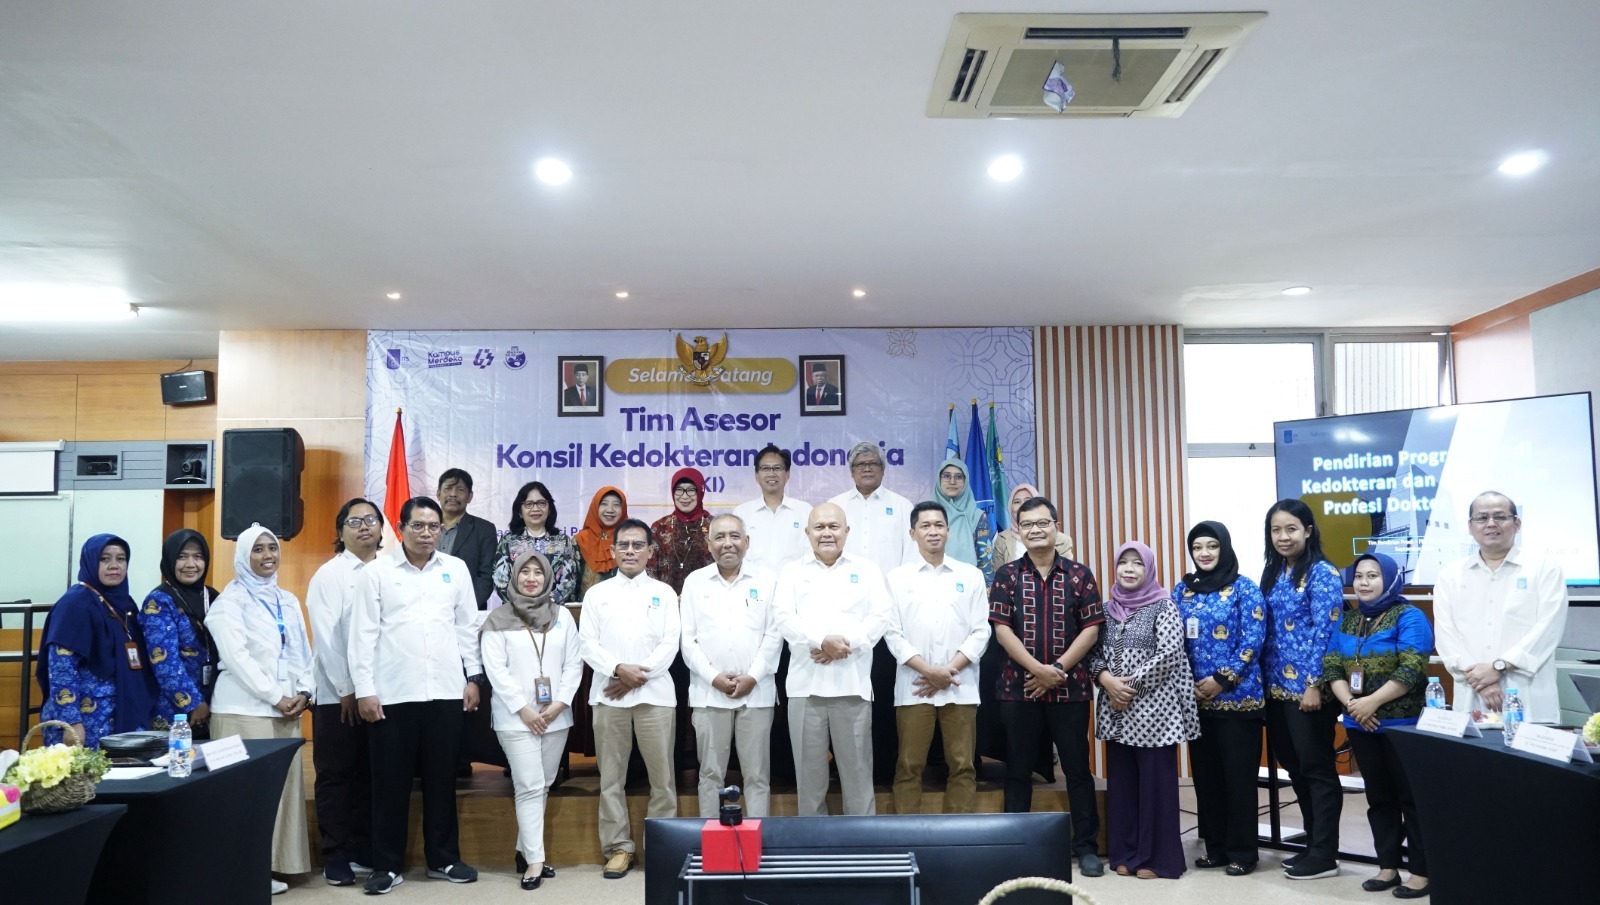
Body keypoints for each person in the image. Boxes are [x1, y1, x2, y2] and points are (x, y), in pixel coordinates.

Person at [351, 497, 483, 894]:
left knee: (442, 781)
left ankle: (443, 859)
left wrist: (473, 677)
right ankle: (386, 865)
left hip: (446, 690)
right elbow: (362, 635)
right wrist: (365, 690)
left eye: (433, 527)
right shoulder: (376, 572)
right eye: (418, 526)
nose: (426, 533)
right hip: (392, 693)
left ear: (442, 529)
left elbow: (466, 627)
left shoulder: (455, 569)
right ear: (400, 527)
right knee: (390, 784)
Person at [989, 496, 1105, 877]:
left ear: (1057, 527)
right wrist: (1037, 670)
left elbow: (1091, 629)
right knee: (1018, 770)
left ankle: (1085, 847)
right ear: (1018, 531)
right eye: (1028, 524)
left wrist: (1056, 669)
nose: (1036, 530)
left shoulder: (1080, 575)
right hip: (1019, 688)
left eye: (1043, 523)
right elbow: (1001, 630)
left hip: (1069, 689)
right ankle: (1015, 849)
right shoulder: (1007, 576)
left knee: (1077, 769)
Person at [208, 524, 315, 893]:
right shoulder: (229, 603)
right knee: (246, 794)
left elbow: (302, 650)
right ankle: (245, 871)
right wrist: (276, 696)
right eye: (258, 549)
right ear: (243, 556)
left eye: (272, 548)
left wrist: (304, 690)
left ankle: (277, 866)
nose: (267, 555)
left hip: (286, 708)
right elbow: (237, 659)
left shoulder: (287, 599)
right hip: (243, 709)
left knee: (283, 793)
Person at [1323, 551, 1433, 899]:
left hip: (1404, 725)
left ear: (1390, 579)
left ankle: (1421, 872)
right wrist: (1353, 705)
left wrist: (1371, 702)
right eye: (1359, 576)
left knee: (1411, 798)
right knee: (1379, 797)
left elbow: (1411, 668)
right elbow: (1332, 667)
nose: (1364, 582)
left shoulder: (1409, 616)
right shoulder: (1349, 620)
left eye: (1373, 575)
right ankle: (1387, 867)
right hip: (1361, 724)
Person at [772, 502, 891, 816]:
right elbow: (783, 617)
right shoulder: (792, 571)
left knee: (858, 778)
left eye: (833, 526)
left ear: (847, 531)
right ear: (807, 532)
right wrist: (820, 641)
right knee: (809, 782)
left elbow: (881, 616)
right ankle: (813, 844)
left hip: (852, 686)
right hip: (805, 688)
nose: (827, 533)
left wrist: (844, 645)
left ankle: (861, 842)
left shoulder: (866, 570)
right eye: (819, 527)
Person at [1089, 541, 1199, 880]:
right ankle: (1124, 852)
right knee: (1122, 785)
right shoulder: (1106, 610)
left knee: (1155, 787)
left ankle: (1156, 858)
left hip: (1155, 713)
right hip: (1116, 712)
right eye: (1124, 562)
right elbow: (1092, 654)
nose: (1129, 569)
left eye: (1138, 563)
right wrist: (1107, 681)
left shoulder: (1164, 606)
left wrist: (1128, 688)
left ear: (1149, 569)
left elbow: (1170, 654)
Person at [579, 517, 681, 880]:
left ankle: (662, 849)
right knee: (611, 779)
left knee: (662, 780)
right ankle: (618, 848)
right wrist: (618, 668)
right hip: (609, 697)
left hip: (656, 697)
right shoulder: (597, 594)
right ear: (613, 550)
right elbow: (587, 644)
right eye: (623, 545)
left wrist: (636, 676)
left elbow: (670, 644)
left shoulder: (665, 593)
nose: (631, 551)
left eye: (638, 545)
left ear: (651, 551)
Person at [481, 550, 584, 890]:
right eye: (524, 572)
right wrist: (524, 709)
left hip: (556, 716)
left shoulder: (562, 617)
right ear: (513, 577)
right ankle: (535, 861)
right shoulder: (498, 619)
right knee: (528, 785)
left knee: (543, 784)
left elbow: (574, 664)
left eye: (538, 572)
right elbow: (496, 671)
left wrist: (560, 703)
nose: (531, 578)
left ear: (548, 577)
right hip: (515, 719)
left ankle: (524, 850)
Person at [1258, 499, 1346, 881]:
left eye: (1291, 529)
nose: (1283, 536)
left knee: (1317, 770)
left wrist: (1313, 685)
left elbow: (1327, 634)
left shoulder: (1323, 573)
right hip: (1276, 691)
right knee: (1295, 769)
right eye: (1276, 530)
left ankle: (1326, 854)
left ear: (1308, 531)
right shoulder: (1273, 572)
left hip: (1309, 692)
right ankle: (1313, 845)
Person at [884, 501, 990, 814]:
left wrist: (947, 671)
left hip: (960, 684)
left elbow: (981, 631)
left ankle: (958, 837)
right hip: (914, 685)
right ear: (912, 533)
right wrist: (929, 671)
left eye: (939, 525)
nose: (933, 531)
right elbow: (892, 633)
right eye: (925, 526)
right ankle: (907, 835)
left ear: (948, 531)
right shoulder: (897, 578)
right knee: (909, 765)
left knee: (962, 765)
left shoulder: (970, 576)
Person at [1174, 520, 1266, 877]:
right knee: (1207, 779)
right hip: (1196, 701)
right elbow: (1172, 640)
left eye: (1212, 546)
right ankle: (1215, 848)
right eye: (1197, 547)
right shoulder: (1182, 591)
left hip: (1239, 700)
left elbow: (1253, 640)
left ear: (1224, 548)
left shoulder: (1245, 589)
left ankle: (1243, 852)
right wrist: (1191, 683)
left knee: (1238, 780)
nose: (1205, 553)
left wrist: (1221, 680)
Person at [1434, 491, 1569, 724]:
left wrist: (1498, 667)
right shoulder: (1451, 574)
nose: (1491, 524)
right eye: (1481, 518)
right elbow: (1446, 636)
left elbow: (1549, 628)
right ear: (1470, 527)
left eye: (1500, 516)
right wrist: (1482, 680)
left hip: (1528, 694)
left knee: (1529, 748)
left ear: (1517, 524)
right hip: (1473, 694)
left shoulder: (1544, 569)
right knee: (1472, 748)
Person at [679, 513, 782, 818]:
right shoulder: (695, 582)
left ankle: (758, 839)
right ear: (708, 543)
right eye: (720, 537)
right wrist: (713, 677)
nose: (728, 543)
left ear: (746, 542)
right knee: (710, 774)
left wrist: (753, 676)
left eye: (735, 536)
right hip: (708, 693)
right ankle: (711, 839)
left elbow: (774, 635)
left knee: (758, 776)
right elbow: (688, 641)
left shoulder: (767, 580)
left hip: (757, 693)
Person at [305, 499, 383, 886]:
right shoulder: (330, 575)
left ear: (382, 528)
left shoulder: (389, 570)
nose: (364, 526)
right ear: (340, 532)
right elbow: (328, 637)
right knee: (336, 774)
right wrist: (347, 688)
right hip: (339, 696)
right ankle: (335, 854)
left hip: (381, 693)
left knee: (371, 773)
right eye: (354, 521)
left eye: (371, 520)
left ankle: (362, 847)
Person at [37, 534, 159, 748]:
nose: (114, 566)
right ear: (91, 562)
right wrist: (71, 722)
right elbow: (61, 668)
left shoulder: (124, 603)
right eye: (104, 559)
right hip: (86, 719)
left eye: (121, 559)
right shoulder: (74, 604)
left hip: (119, 711)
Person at [137, 529, 215, 734]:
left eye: (198, 557)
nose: (191, 564)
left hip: (214, 702)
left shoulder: (212, 596)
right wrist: (193, 703)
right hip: (175, 709)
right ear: (170, 559)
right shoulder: (159, 601)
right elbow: (164, 661)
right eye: (182, 557)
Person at [831, 441, 914, 572]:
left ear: (883, 470)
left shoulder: (903, 506)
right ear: (852, 472)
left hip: (889, 584)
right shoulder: (835, 505)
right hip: (844, 582)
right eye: (860, 465)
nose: (867, 469)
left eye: (873, 464)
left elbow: (911, 553)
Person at [493, 481, 580, 605]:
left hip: (553, 610)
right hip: (515, 611)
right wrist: (522, 605)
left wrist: (547, 605)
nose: (535, 508)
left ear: (549, 509)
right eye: (529, 504)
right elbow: (500, 579)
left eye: (541, 503)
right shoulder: (508, 541)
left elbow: (569, 581)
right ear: (520, 511)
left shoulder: (563, 542)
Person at [732, 443, 812, 575]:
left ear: (787, 474)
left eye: (777, 468)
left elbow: (810, 553)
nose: (771, 473)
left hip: (794, 583)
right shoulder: (741, 512)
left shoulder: (804, 510)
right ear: (757, 476)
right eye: (765, 468)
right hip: (753, 584)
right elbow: (737, 554)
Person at [436, 468, 497, 609]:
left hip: (466, 612)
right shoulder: (425, 527)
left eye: (460, 490)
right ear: (438, 494)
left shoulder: (484, 529)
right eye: (448, 488)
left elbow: (486, 577)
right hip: (425, 609)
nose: (453, 494)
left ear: (470, 496)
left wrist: (462, 607)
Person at [649, 467, 715, 594]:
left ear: (700, 492)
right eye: (679, 490)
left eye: (691, 490)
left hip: (706, 600)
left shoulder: (714, 526)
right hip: (666, 601)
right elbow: (650, 570)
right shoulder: (660, 527)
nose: (684, 496)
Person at [930, 457, 995, 584]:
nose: (952, 481)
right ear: (939, 479)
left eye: (959, 477)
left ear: (966, 481)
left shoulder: (977, 516)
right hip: (930, 584)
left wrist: (986, 592)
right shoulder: (926, 515)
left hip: (967, 585)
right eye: (947, 476)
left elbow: (985, 563)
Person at [990, 483, 1074, 564]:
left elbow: (1064, 571)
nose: (1022, 505)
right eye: (1017, 502)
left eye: (1028, 500)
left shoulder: (1062, 541)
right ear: (1010, 507)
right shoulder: (1002, 539)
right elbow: (999, 572)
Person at [575, 486, 628, 598]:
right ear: (595, 507)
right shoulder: (579, 541)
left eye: (616, 505)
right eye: (604, 504)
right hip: (586, 606)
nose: (610, 510)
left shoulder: (630, 540)